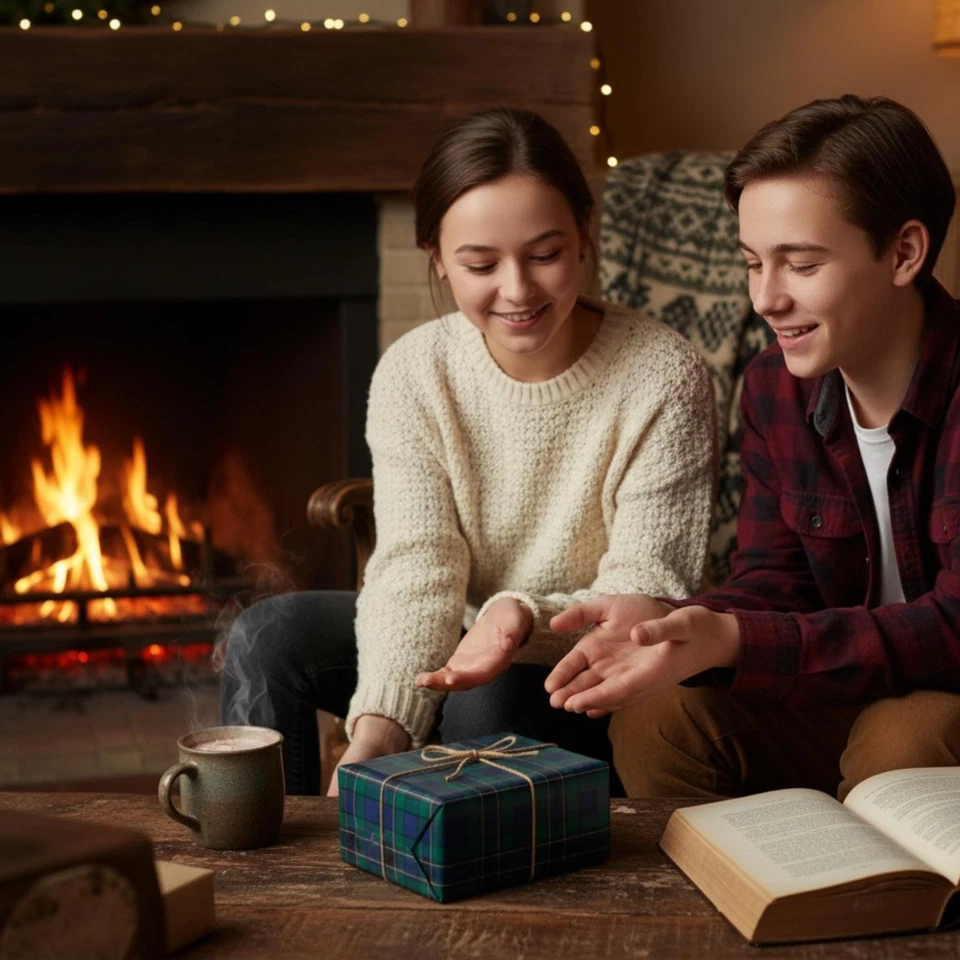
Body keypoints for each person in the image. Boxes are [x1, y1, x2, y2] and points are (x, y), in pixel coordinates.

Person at [219, 107, 716, 796]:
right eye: (481, 264)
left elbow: (640, 596)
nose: (517, 291)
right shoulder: (415, 371)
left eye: (545, 254)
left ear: (583, 237)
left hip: (575, 664)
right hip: (452, 625)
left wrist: (515, 617)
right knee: (268, 636)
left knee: (486, 702)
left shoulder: (664, 374)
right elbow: (419, 565)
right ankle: (289, 859)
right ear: (440, 262)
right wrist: (381, 725)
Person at [543, 94, 960, 802]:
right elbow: (774, 578)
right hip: (839, 690)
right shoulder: (775, 388)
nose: (764, 299)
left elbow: (954, 627)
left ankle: (883, 908)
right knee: (659, 717)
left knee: (905, 741)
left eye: (799, 265)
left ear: (904, 252)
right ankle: (735, 900)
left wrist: (736, 642)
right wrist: (679, 625)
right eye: (751, 263)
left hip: (943, 698)